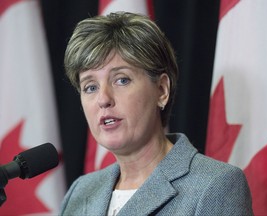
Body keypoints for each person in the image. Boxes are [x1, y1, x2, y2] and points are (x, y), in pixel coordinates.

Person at [60, 12, 253, 216]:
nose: (103, 99)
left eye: (121, 80)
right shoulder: (80, 192)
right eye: (90, 87)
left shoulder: (215, 186)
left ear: (161, 90)